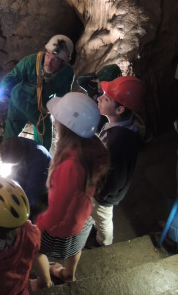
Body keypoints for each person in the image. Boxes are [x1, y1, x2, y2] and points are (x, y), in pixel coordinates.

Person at [35, 92, 110, 283]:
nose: (54, 121)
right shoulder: (93, 147)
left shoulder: (70, 166)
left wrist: (39, 226)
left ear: (66, 126)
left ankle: (44, 283)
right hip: (84, 219)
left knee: (36, 251)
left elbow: (58, 211)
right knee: (76, 249)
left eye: (57, 118)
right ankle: (69, 275)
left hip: (61, 227)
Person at [90, 76, 146, 247]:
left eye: (106, 98)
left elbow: (116, 178)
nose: (99, 98)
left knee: (103, 218)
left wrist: (100, 193)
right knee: (98, 215)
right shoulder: (122, 127)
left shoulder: (119, 143)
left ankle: (104, 242)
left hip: (105, 194)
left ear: (120, 109)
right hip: (103, 186)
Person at [0, 35, 75, 151]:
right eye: (48, 55)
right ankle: (4, 158)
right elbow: (12, 77)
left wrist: (60, 115)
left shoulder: (66, 73)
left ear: (63, 62)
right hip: (19, 102)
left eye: (55, 59)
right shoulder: (31, 62)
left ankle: (39, 163)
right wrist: (5, 89)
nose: (48, 62)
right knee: (9, 138)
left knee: (44, 141)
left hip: (40, 110)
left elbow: (63, 97)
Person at [0, 137, 51, 209]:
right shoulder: (13, 144)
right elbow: (0, 163)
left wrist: (17, 207)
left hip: (46, 178)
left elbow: (31, 194)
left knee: (33, 200)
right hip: (27, 165)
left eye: (10, 164)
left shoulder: (38, 163)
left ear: (20, 159)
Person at [77, 64, 122, 131]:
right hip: (89, 121)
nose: (100, 87)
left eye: (105, 85)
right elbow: (80, 81)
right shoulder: (93, 88)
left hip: (101, 126)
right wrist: (94, 75)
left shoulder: (113, 98)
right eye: (100, 82)